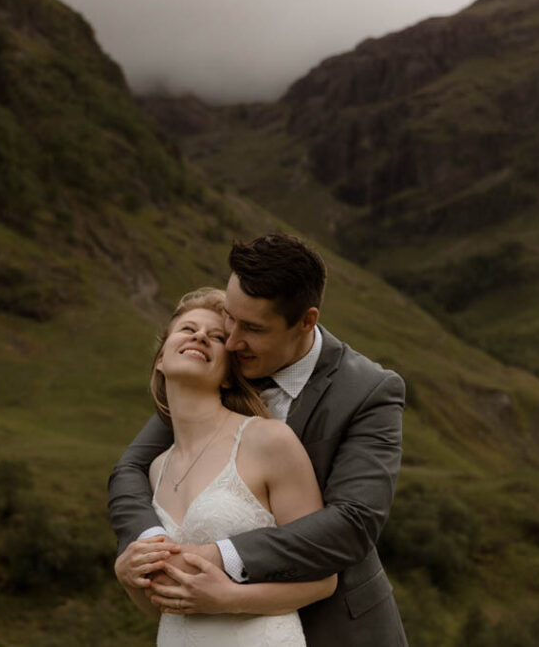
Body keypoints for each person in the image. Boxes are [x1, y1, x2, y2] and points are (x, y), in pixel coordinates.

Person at [109, 233, 407, 647]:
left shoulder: (369, 391)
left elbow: (354, 522)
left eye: (251, 328)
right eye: (230, 317)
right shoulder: (215, 377)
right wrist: (144, 548)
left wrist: (221, 556)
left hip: (339, 626)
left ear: (307, 321)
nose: (230, 340)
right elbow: (130, 469)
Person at [124, 286, 335, 645]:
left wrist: (230, 599)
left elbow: (323, 578)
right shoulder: (155, 469)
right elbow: (164, 605)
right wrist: (129, 578)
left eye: (217, 337)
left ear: (227, 374)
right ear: (161, 359)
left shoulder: (269, 441)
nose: (201, 336)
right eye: (188, 329)